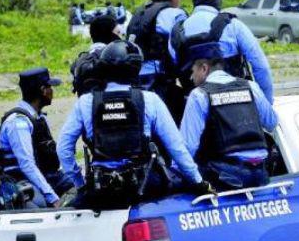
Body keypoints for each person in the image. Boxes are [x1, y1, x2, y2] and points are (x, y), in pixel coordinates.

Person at [57, 41, 204, 207]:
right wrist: (199, 182)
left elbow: (63, 149)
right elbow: (177, 148)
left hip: (101, 190)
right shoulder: (150, 100)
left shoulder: (85, 102)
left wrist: (81, 185)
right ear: (136, 69)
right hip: (145, 187)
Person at [180, 52, 278, 190]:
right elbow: (271, 122)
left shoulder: (199, 95)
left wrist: (174, 172)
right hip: (260, 174)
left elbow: (187, 148)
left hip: (225, 176)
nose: (191, 77)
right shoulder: (250, 86)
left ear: (204, 68)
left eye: (193, 71)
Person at [170, 0, 275, 102]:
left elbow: (173, 68)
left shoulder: (177, 30)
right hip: (233, 102)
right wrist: (267, 102)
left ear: (195, 0)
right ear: (218, 1)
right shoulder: (234, 26)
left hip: (194, 101)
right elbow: (261, 67)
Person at [0, 67, 72, 208]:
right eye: (50, 87)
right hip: (19, 182)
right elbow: (27, 165)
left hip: (45, 177)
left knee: (81, 191)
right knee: (40, 205)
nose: (52, 91)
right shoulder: (18, 123)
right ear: (43, 90)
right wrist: (53, 198)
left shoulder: (38, 118)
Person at [126, 0, 188, 120]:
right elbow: (184, 49)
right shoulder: (174, 14)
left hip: (134, 82)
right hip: (159, 82)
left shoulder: (138, 14)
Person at [71, 14, 120, 95]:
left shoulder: (82, 59)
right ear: (110, 34)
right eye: (118, 32)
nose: (120, 36)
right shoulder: (117, 58)